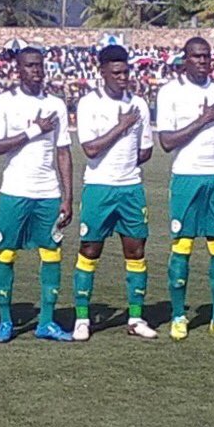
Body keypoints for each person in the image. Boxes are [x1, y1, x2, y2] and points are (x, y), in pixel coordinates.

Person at [0, 47, 73, 343]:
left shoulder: (56, 105)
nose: (36, 70)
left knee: (51, 253)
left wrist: (68, 196)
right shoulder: (3, 103)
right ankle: (5, 321)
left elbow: (63, 152)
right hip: (15, 191)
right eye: (29, 66)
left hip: (47, 192)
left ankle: (47, 322)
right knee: (6, 253)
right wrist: (34, 130)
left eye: (39, 65)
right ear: (18, 70)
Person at [155, 36, 214, 341]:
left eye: (206, 56)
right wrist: (203, 120)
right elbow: (166, 142)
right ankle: (179, 315)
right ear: (185, 59)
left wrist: (211, 156)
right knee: (183, 246)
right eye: (196, 57)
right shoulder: (170, 93)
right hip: (186, 177)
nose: (203, 61)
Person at [72, 44, 157, 341]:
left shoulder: (140, 105)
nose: (123, 77)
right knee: (90, 250)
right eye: (116, 72)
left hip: (131, 187)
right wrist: (121, 127)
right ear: (102, 72)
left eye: (126, 71)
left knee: (135, 250)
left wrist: (129, 154)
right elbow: (90, 149)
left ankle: (135, 317)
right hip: (99, 187)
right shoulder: (88, 104)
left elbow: (146, 150)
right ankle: (82, 318)